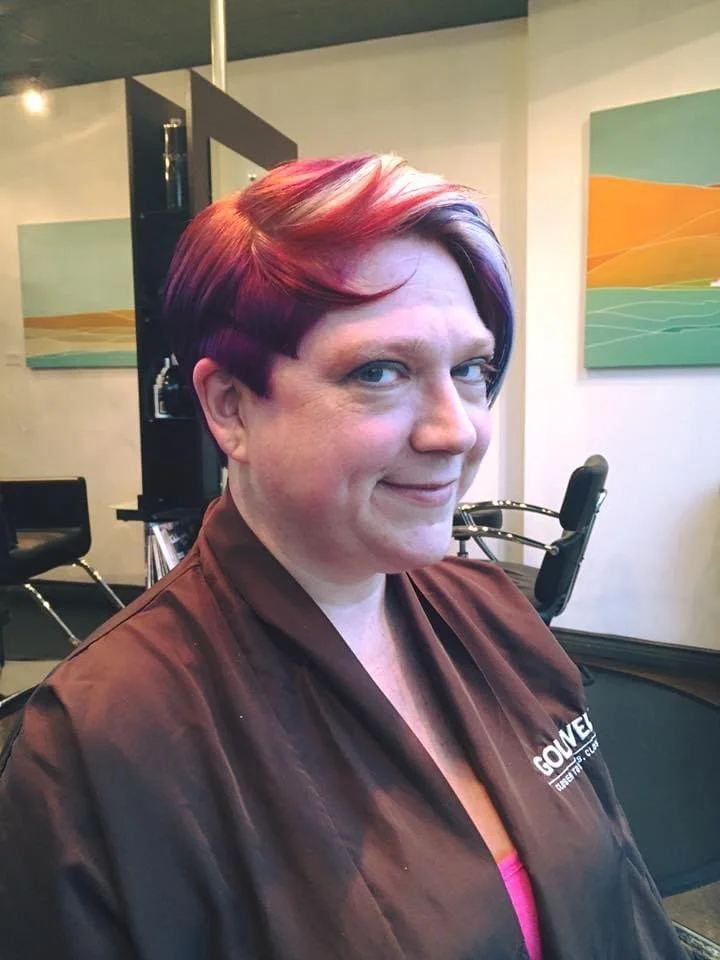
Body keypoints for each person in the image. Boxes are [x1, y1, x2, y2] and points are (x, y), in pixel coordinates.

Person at [0, 154, 685, 960]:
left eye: (471, 369)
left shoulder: (493, 610)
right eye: (380, 371)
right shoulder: (101, 746)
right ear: (230, 408)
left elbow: (624, 895)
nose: (458, 429)